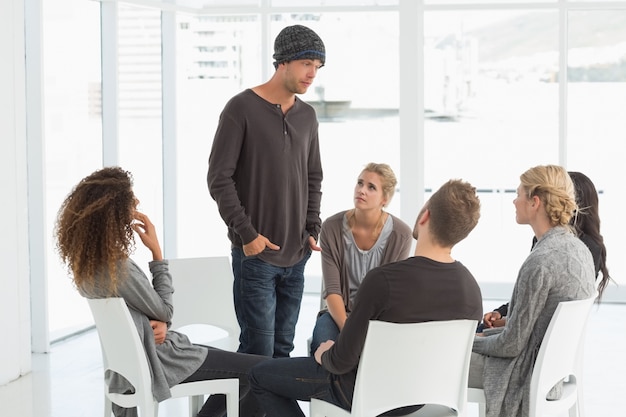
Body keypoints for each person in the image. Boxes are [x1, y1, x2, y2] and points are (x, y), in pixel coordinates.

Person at [249, 179, 484, 417]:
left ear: (425, 216)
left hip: (363, 392)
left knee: (259, 375)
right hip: (420, 400)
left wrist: (325, 352)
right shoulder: (471, 290)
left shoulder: (383, 280)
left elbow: (341, 362)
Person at [54, 167, 268, 417]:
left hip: (139, 362)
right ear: (113, 210)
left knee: (245, 365)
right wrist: (157, 253)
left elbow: (145, 317)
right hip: (162, 361)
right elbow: (164, 310)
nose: (136, 202)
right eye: (129, 198)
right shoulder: (118, 268)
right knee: (263, 371)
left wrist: (156, 325)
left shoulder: (90, 267)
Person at [206, 24, 325, 358]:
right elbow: (219, 178)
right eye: (306, 63)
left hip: (297, 255)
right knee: (258, 350)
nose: (312, 73)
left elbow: (313, 176)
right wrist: (248, 235)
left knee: (282, 350)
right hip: (256, 255)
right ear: (282, 62)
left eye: (317, 67)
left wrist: (311, 228)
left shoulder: (308, 116)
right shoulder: (240, 108)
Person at [468, 165, 596, 417]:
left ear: (535, 202)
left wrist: (469, 343)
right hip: (553, 372)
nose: (514, 202)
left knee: (439, 360)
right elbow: (530, 326)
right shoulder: (577, 249)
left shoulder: (541, 260)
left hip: (526, 372)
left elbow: (511, 345)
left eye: (518, 195)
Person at [479, 170, 610, 331]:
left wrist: (501, 325)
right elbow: (532, 296)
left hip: (536, 337)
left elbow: (542, 316)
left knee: (473, 335)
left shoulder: (578, 250)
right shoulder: (553, 242)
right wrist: (500, 313)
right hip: (533, 331)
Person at [310, 162, 412, 355]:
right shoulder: (332, 228)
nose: (362, 190)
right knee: (323, 348)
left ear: (385, 199)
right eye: (360, 183)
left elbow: (392, 295)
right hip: (337, 314)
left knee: (377, 356)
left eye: (371, 187)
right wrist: (348, 330)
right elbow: (332, 290)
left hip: (379, 320)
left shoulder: (401, 234)